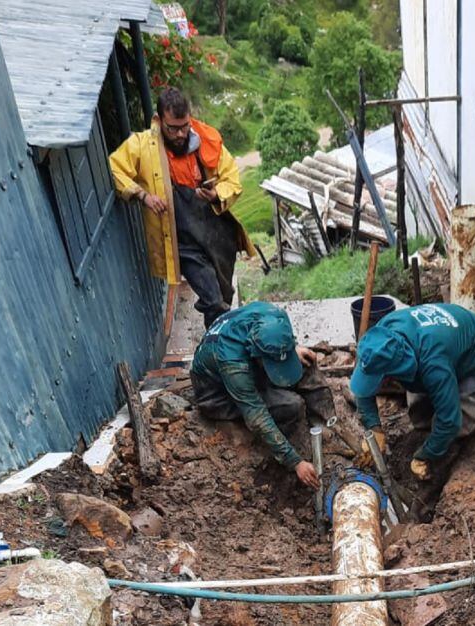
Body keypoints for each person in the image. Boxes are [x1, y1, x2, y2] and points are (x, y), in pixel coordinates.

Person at [109, 87, 257, 327]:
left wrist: (216, 193)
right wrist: (142, 195)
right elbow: (115, 168)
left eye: (184, 126)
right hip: (183, 242)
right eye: (173, 128)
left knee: (223, 297)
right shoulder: (141, 146)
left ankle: (219, 343)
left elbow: (233, 181)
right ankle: (217, 352)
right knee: (212, 298)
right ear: (159, 121)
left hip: (217, 236)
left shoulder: (207, 140)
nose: (180, 134)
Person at [349, 304, 475, 481]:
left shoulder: (433, 364)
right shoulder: (377, 339)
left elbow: (450, 421)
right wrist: (373, 427)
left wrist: (426, 455)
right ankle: (429, 437)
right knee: (421, 415)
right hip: (444, 346)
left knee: (460, 424)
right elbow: (362, 388)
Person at [190, 301, 333, 488]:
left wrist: (291, 349)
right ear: (257, 353)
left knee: (306, 360)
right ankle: (285, 452)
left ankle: (326, 425)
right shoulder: (232, 363)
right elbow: (257, 416)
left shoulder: (272, 314)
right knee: (291, 405)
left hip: (245, 360)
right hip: (217, 395)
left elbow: (279, 336)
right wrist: (296, 462)